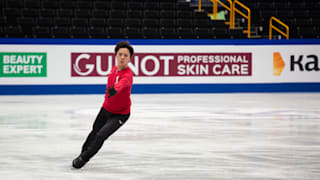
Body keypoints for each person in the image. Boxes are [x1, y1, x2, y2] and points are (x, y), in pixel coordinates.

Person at [72, 41, 134, 169]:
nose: (122, 57)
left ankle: (83, 159)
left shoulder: (127, 75)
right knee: (94, 131)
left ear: (129, 58)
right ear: (116, 55)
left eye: (126, 55)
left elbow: (121, 85)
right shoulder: (113, 69)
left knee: (101, 135)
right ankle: (82, 153)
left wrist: (115, 90)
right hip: (106, 109)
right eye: (120, 54)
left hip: (120, 114)